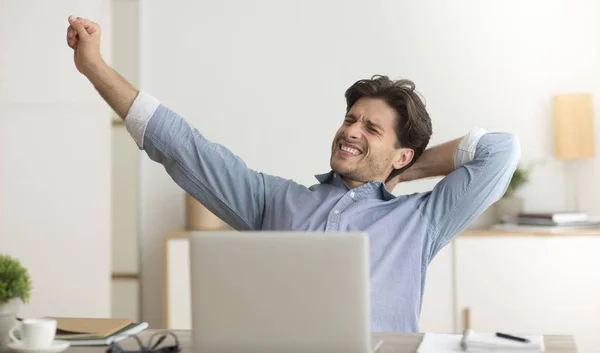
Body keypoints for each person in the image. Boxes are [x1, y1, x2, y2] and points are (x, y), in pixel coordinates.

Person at [66, 15, 520, 332]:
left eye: (370, 128)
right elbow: (185, 148)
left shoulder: (422, 220)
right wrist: (95, 67)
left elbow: (501, 151)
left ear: (400, 154)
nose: (351, 131)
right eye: (350, 119)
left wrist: (400, 173)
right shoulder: (274, 200)